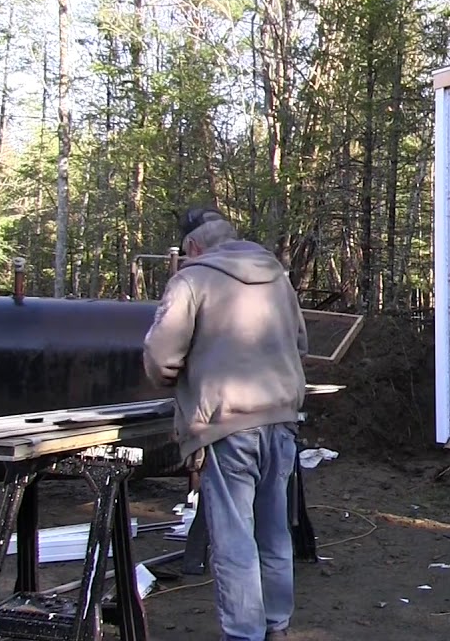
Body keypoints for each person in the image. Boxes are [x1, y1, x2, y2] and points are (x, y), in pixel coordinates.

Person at [143, 206, 308, 641]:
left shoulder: (190, 280)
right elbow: (301, 343)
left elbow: (161, 360)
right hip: (282, 420)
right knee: (274, 532)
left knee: (235, 540)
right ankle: (278, 627)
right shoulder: (277, 277)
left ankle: (242, 634)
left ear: (193, 247)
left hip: (226, 425)